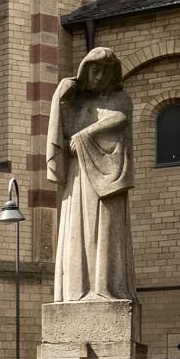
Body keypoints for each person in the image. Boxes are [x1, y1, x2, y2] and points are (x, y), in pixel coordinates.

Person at [47, 47, 135, 302]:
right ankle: (76, 290)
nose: (98, 76)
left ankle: (104, 288)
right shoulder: (80, 102)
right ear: (85, 70)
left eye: (104, 71)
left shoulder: (120, 98)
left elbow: (119, 118)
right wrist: (60, 98)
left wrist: (86, 134)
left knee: (107, 230)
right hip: (78, 178)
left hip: (107, 179)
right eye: (94, 70)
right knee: (76, 230)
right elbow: (64, 131)